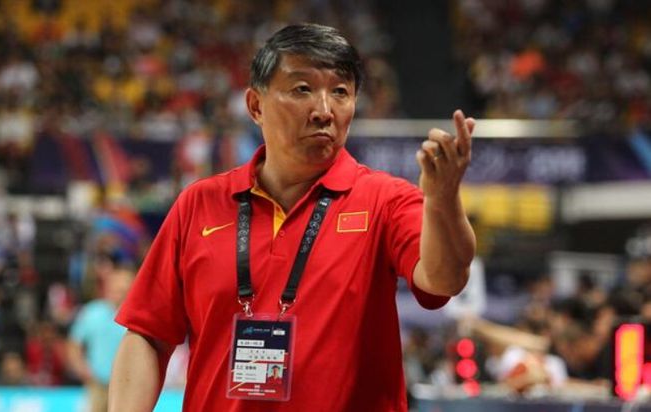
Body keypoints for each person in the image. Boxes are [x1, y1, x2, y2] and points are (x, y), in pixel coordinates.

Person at [109, 23, 476, 411]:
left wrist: (442, 200)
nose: (324, 111)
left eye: (341, 92)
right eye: (302, 89)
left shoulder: (387, 200)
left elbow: (444, 279)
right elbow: (147, 335)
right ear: (256, 106)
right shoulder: (199, 204)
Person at [68, 267, 134, 412]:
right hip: (98, 385)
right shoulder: (92, 312)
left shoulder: (137, 315)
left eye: (124, 289)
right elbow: (73, 346)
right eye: (116, 288)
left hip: (129, 386)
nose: (119, 293)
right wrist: (84, 371)